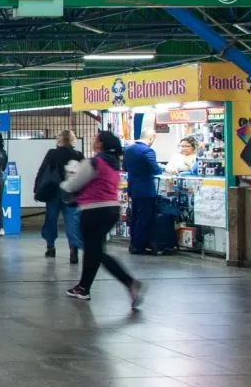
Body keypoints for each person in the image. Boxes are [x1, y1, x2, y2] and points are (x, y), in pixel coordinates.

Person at [62, 131, 144, 308]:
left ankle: (129, 282)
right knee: (94, 250)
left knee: (95, 251)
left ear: (100, 144)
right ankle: (83, 287)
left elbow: (73, 184)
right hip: (111, 209)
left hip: (93, 210)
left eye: (94, 139)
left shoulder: (93, 162)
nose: (92, 141)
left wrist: (66, 179)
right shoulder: (115, 164)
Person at [37, 130, 84, 263]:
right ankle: (73, 248)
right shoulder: (78, 155)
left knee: (51, 218)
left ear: (60, 140)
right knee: (72, 220)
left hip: (54, 192)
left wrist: (37, 189)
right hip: (72, 192)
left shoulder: (52, 153)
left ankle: (50, 246)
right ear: (73, 140)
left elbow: (42, 171)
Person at [123, 131, 162, 255]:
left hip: (134, 189)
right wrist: (163, 169)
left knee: (135, 217)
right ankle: (139, 246)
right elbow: (155, 170)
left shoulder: (128, 149)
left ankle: (133, 243)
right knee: (144, 218)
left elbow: (124, 168)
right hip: (146, 190)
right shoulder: (147, 151)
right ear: (151, 138)